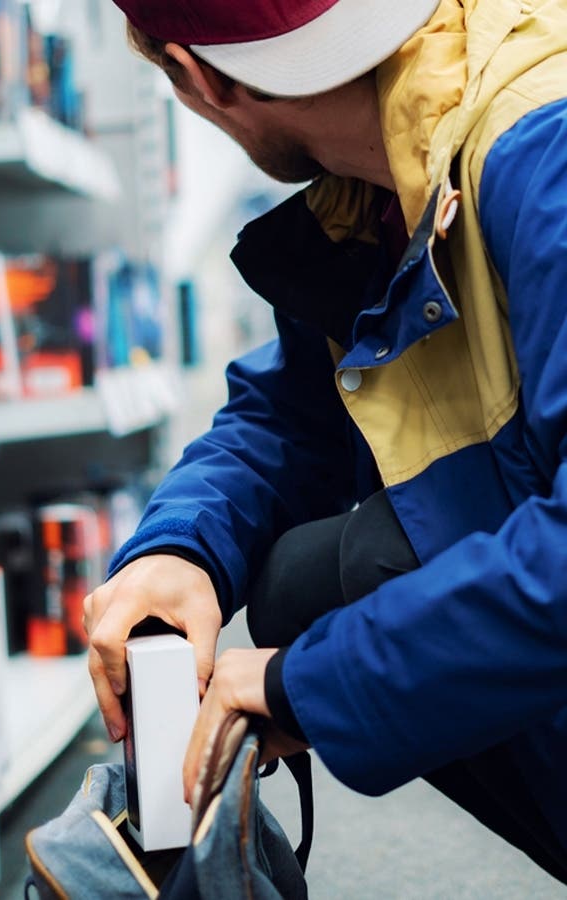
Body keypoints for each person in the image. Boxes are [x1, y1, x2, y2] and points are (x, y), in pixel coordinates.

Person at [82, 0, 567, 881]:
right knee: (307, 578)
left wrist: (304, 686)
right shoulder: (388, 174)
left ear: (200, 77)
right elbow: (295, 413)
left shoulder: (542, 149)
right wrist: (179, 551)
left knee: (371, 567)